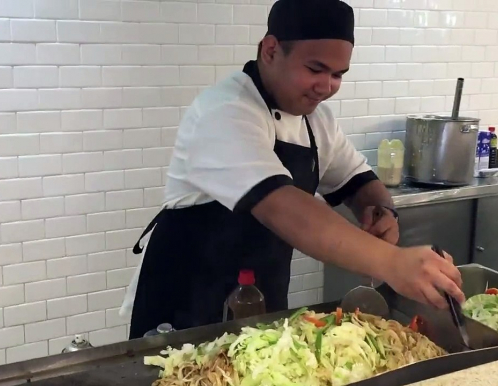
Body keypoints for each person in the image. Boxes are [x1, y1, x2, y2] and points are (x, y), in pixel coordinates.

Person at [120, 0, 465, 339]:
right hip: (186, 309)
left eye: (338, 75)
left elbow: (359, 180)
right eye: (315, 70)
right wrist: (393, 263)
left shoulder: (316, 119)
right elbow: (284, 208)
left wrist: (380, 210)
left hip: (259, 307)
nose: (326, 86)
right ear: (270, 50)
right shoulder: (224, 111)